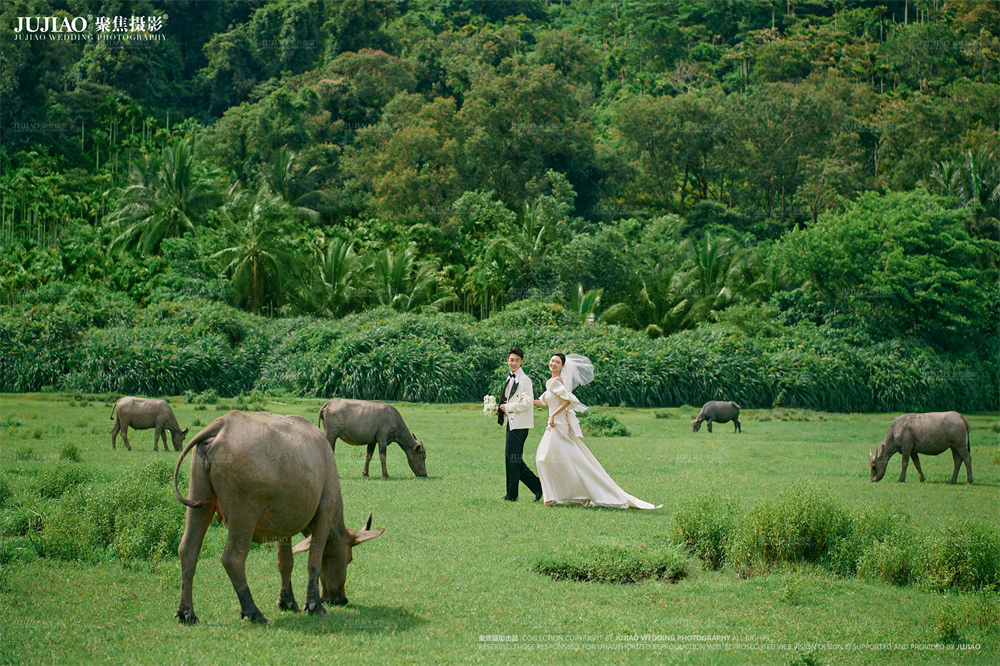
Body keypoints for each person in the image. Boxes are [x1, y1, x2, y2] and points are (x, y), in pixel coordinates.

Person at [535, 353, 660, 509]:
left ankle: (563, 495)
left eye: (557, 362)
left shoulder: (557, 381)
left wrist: (553, 415)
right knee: (552, 459)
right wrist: (523, 400)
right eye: (552, 360)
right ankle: (556, 496)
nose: (553, 363)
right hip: (553, 425)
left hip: (558, 426)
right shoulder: (551, 383)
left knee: (544, 458)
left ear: (562, 366)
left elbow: (569, 400)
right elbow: (543, 402)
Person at [497, 347, 543, 502]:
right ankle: (513, 494)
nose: (514, 363)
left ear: (522, 361)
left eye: (517, 360)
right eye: (511, 360)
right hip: (512, 422)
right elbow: (509, 399)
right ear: (507, 360)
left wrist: (508, 408)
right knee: (512, 459)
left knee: (513, 459)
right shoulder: (510, 378)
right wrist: (500, 409)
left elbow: (527, 403)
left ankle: (535, 487)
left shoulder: (524, 379)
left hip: (521, 424)